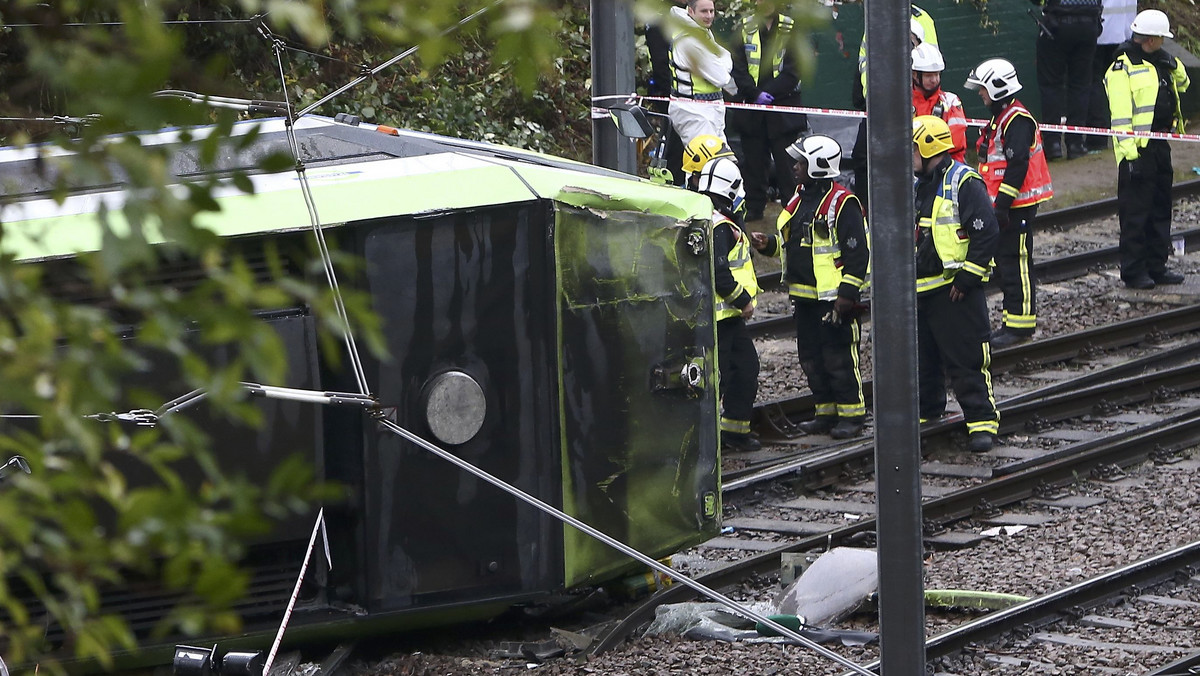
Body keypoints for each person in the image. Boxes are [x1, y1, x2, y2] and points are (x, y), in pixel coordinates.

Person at [750, 135, 869, 439]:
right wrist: (770, 246)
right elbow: (796, 243)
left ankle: (852, 415)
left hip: (832, 299)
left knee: (838, 357)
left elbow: (858, 254)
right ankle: (826, 412)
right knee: (812, 358)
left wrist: (847, 294)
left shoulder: (843, 203)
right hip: (805, 297)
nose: (794, 167)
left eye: (800, 162)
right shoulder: (799, 198)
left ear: (817, 166)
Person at [912, 115, 1000, 453]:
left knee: (967, 360)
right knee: (924, 363)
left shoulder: (963, 182)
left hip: (954, 291)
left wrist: (967, 277)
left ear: (927, 147)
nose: (911, 156)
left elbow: (987, 232)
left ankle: (982, 423)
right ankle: (927, 416)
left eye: (914, 149)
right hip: (922, 291)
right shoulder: (918, 183)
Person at [965, 58, 1054, 347]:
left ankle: (1020, 325)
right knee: (1005, 263)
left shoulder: (1016, 121)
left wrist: (1002, 204)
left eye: (983, 89)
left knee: (1017, 263)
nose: (980, 94)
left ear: (997, 88)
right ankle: (1011, 322)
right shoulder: (1003, 118)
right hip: (1005, 205)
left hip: (1016, 206)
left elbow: (1017, 165)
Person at [1104, 9, 1191, 290]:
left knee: (1160, 209)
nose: (1164, 43)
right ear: (1151, 39)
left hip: (1159, 146)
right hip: (1137, 153)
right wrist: (1130, 157)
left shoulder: (1160, 62)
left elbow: (1185, 84)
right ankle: (1133, 271)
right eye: (1162, 39)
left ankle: (1157, 266)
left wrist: (1173, 64)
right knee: (1135, 215)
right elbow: (1120, 118)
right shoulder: (1121, 68)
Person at [691, 157, 762, 451]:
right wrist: (743, 300)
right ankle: (713, 438)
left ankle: (734, 431)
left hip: (724, 317)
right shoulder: (720, 225)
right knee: (723, 376)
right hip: (723, 317)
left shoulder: (707, 216)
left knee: (743, 369)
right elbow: (719, 274)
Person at [729, 0, 808, 222]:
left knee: (788, 166)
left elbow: (794, 70)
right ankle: (754, 209)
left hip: (783, 108)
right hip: (752, 108)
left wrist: (769, 93)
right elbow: (738, 68)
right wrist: (755, 94)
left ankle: (791, 210)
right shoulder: (744, 28)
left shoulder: (792, 28)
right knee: (754, 163)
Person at [851, 9, 935, 211]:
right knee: (862, 156)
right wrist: (872, 95)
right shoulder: (875, 15)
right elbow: (865, 61)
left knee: (907, 157)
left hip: (910, 104)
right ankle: (866, 207)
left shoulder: (923, 20)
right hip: (876, 103)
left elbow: (930, 62)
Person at [1031, 0, 1103, 160]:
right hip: (1088, 25)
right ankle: (1075, 143)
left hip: (1057, 25)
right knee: (1081, 85)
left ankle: (1052, 144)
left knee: (1051, 85)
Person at [668, 0, 738, 146]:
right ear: (691, 11)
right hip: (695, 113)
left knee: (722, 164)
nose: (709, 16)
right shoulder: (690, 40)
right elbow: (721, 77)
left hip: (709, 110)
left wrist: (721, 59)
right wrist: (722, 60)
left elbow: (724, 56)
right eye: (704, 11)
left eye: (711, 11)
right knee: (704, 165)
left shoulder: (700, 31)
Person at [1084, 0, 1138, 152]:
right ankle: (1123, 135)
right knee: (1119, 85)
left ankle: (1096, 139)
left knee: (1094, 84)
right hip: (1124, 32)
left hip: (1098, 33)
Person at [645, 1, 689, 184]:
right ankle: (673, 185)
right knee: (673, 146)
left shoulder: (690, 17)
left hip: (694, 97)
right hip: (670, 95)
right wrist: (674, 94)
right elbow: (661, 65)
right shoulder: (659, 21)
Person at [911, 43, 967, 163]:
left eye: (937, 74)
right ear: (914, 75)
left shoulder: (951, 101)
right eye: (929, 75)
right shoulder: (902, 102)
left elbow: (956, 141)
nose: (934, 80)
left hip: (948, 168)